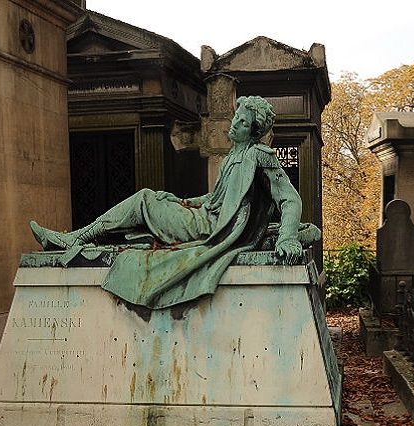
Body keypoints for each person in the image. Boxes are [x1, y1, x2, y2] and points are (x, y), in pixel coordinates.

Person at [30, 96, 319, 309]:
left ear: (253, 131)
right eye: (236, 117)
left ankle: (76, 239)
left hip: (210, 229)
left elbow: (290, 199)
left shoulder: (260, 156)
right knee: (154, 199)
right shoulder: (233, 156)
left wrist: (287, 237)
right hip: (203, 216)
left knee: (143, 200)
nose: (234, 124)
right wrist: (182, 202)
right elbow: (215, 199)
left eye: (242, 123)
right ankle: (78, 238)